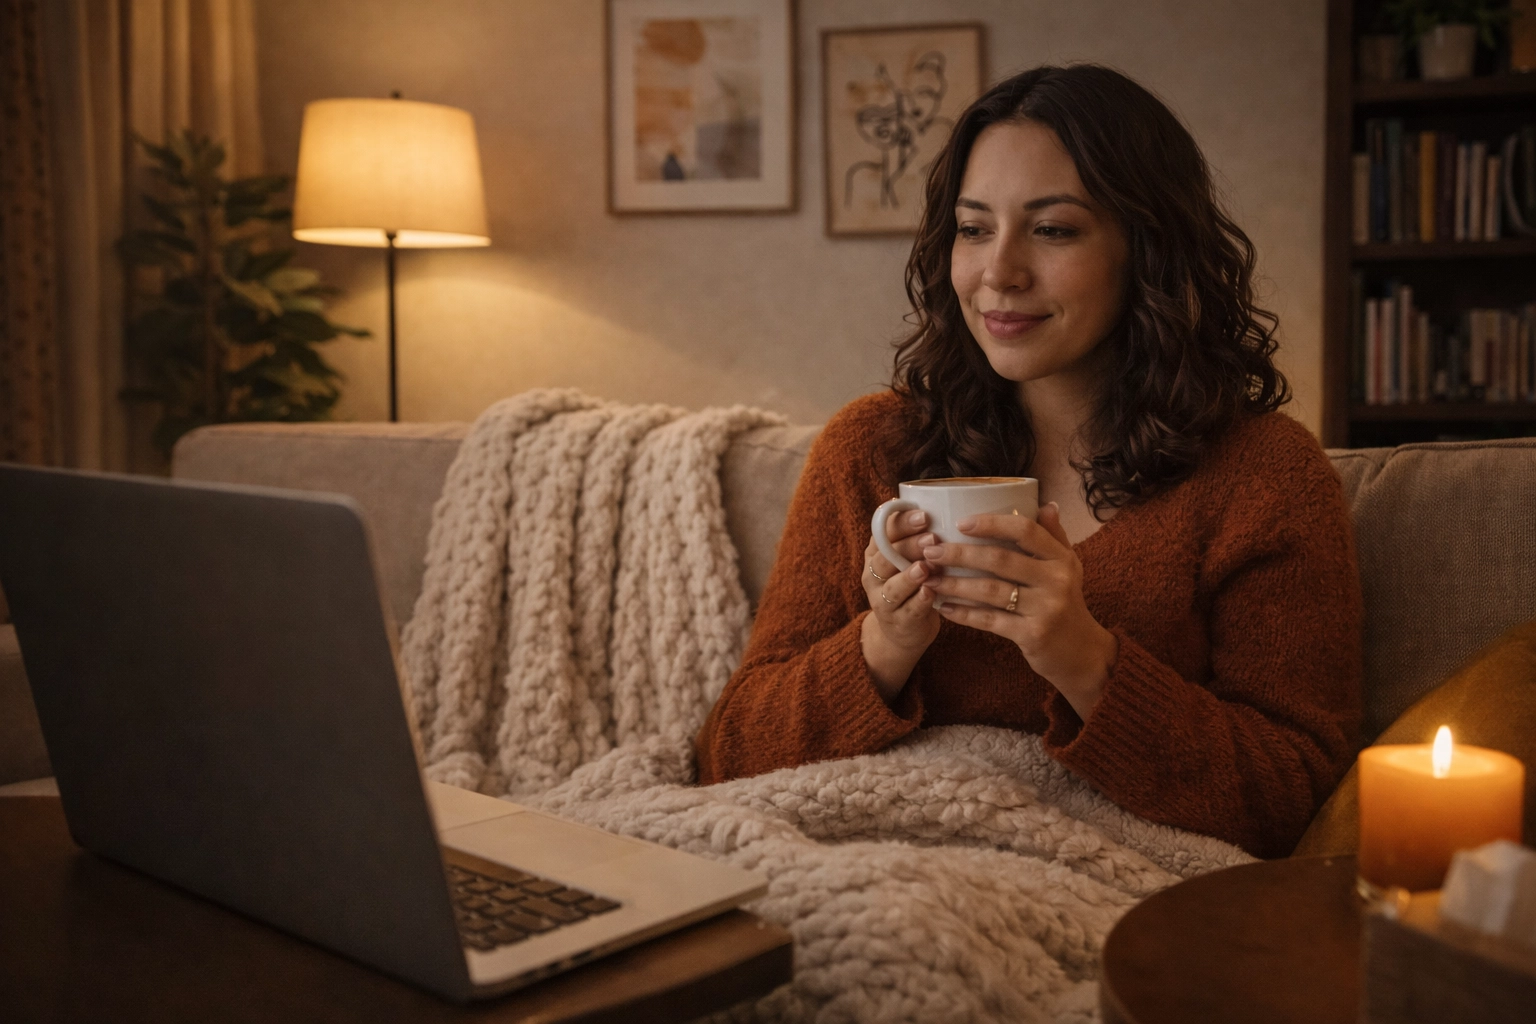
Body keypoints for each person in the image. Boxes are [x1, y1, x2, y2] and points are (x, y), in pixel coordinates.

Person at [694, 64, 1362, 859]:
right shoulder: (870, 449)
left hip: (1097, 886)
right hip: (858, 857)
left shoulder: (1261, 477)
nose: (999, 272)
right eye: (974, 229)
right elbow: (730, 755)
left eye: (1053, 230)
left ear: (1146, 250)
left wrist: (1084, 659)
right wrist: (883, 647)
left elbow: (1293, 796)